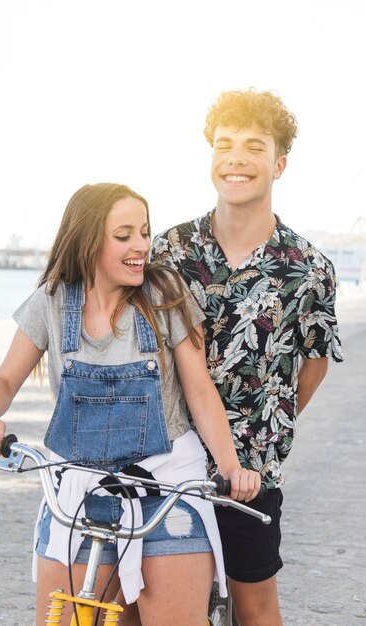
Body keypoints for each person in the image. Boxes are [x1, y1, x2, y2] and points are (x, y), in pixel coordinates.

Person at [0, 182, 261, 626]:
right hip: (78, 492)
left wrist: (229, 466)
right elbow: (5, 380)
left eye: (144, 232)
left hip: (165, 491)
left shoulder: (162, 293)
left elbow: (200, 390)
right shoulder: (52, 301)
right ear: (87, 242)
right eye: (124, 236)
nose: (142, 245)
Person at [151, 88, 343, 626]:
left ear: (279, 163)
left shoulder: (310, 267)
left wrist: (262, 428)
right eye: (224, 144)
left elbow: (314, 364)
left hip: (251, 472)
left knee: (256, 610)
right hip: (166, 461)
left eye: (253, 147)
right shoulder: (169, 250)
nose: (235, 158)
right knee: (144, 610)